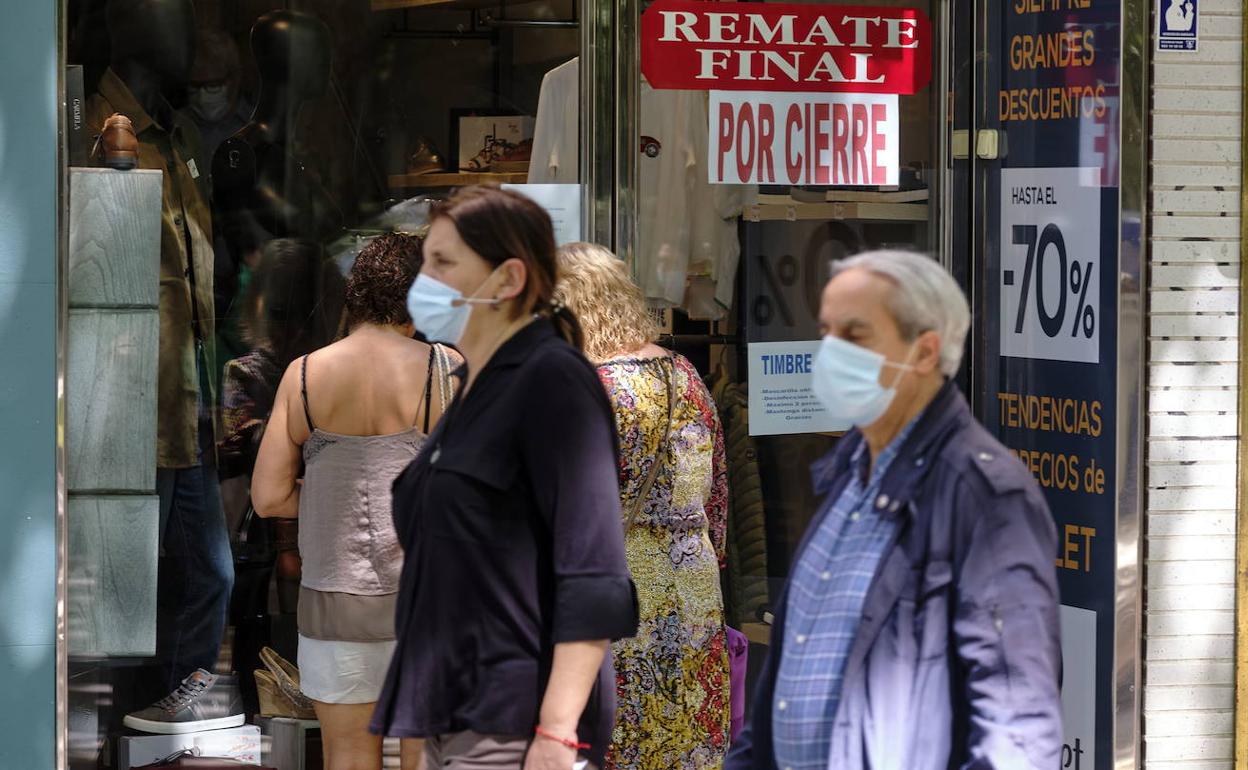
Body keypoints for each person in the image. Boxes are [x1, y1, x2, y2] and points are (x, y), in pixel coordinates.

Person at [725, 251, 1061, 770]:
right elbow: (787, 685)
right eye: (827, 332)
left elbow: (1015, 726)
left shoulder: (983, 494)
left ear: (925, 352)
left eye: (855, 336)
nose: (830, 353)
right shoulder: (848, 475)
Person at [371, 186, 639, 770]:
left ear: (508, 279)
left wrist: (559, 733)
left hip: (513, 722)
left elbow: (593, 572)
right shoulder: (476, 384)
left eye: (444, 263)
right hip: (453, 711)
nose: (427, 280)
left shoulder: (552, 379)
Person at [251, 233, 458, 770]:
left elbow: (269, 496)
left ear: (353, 296)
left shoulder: (303, 375)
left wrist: (327, 493)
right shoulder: (447, 371)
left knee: (345, 754)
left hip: (334, 605)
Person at [554, 242, 730, 770]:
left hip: (619, 591)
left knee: (620, 738)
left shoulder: (590, 390)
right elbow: (717, 492)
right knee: (687, 740)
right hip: (695, 587)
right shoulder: (686, 376)